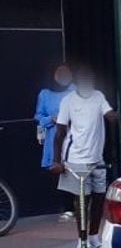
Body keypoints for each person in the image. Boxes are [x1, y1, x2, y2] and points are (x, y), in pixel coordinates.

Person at [50, 66, 117, 248]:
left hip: (97, 159)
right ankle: (82, 241)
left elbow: (109, 114)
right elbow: (60, 132)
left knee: (99, 199)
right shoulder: (68, 101)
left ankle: (94, 237)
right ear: (77, 83)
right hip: (76, 160)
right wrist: (56, 161)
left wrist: (116, 116)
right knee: (81, 201)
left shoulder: (98, 96)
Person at [35, 64, 75, 219]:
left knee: (75, 170)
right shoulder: (44, 94)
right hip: (54, 137)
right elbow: (38, 116)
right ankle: (67, 208)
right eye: (60, 73)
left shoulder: (75, 90)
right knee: (60, 171)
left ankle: (80, 206)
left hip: (74, 136)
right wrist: (50, 119)